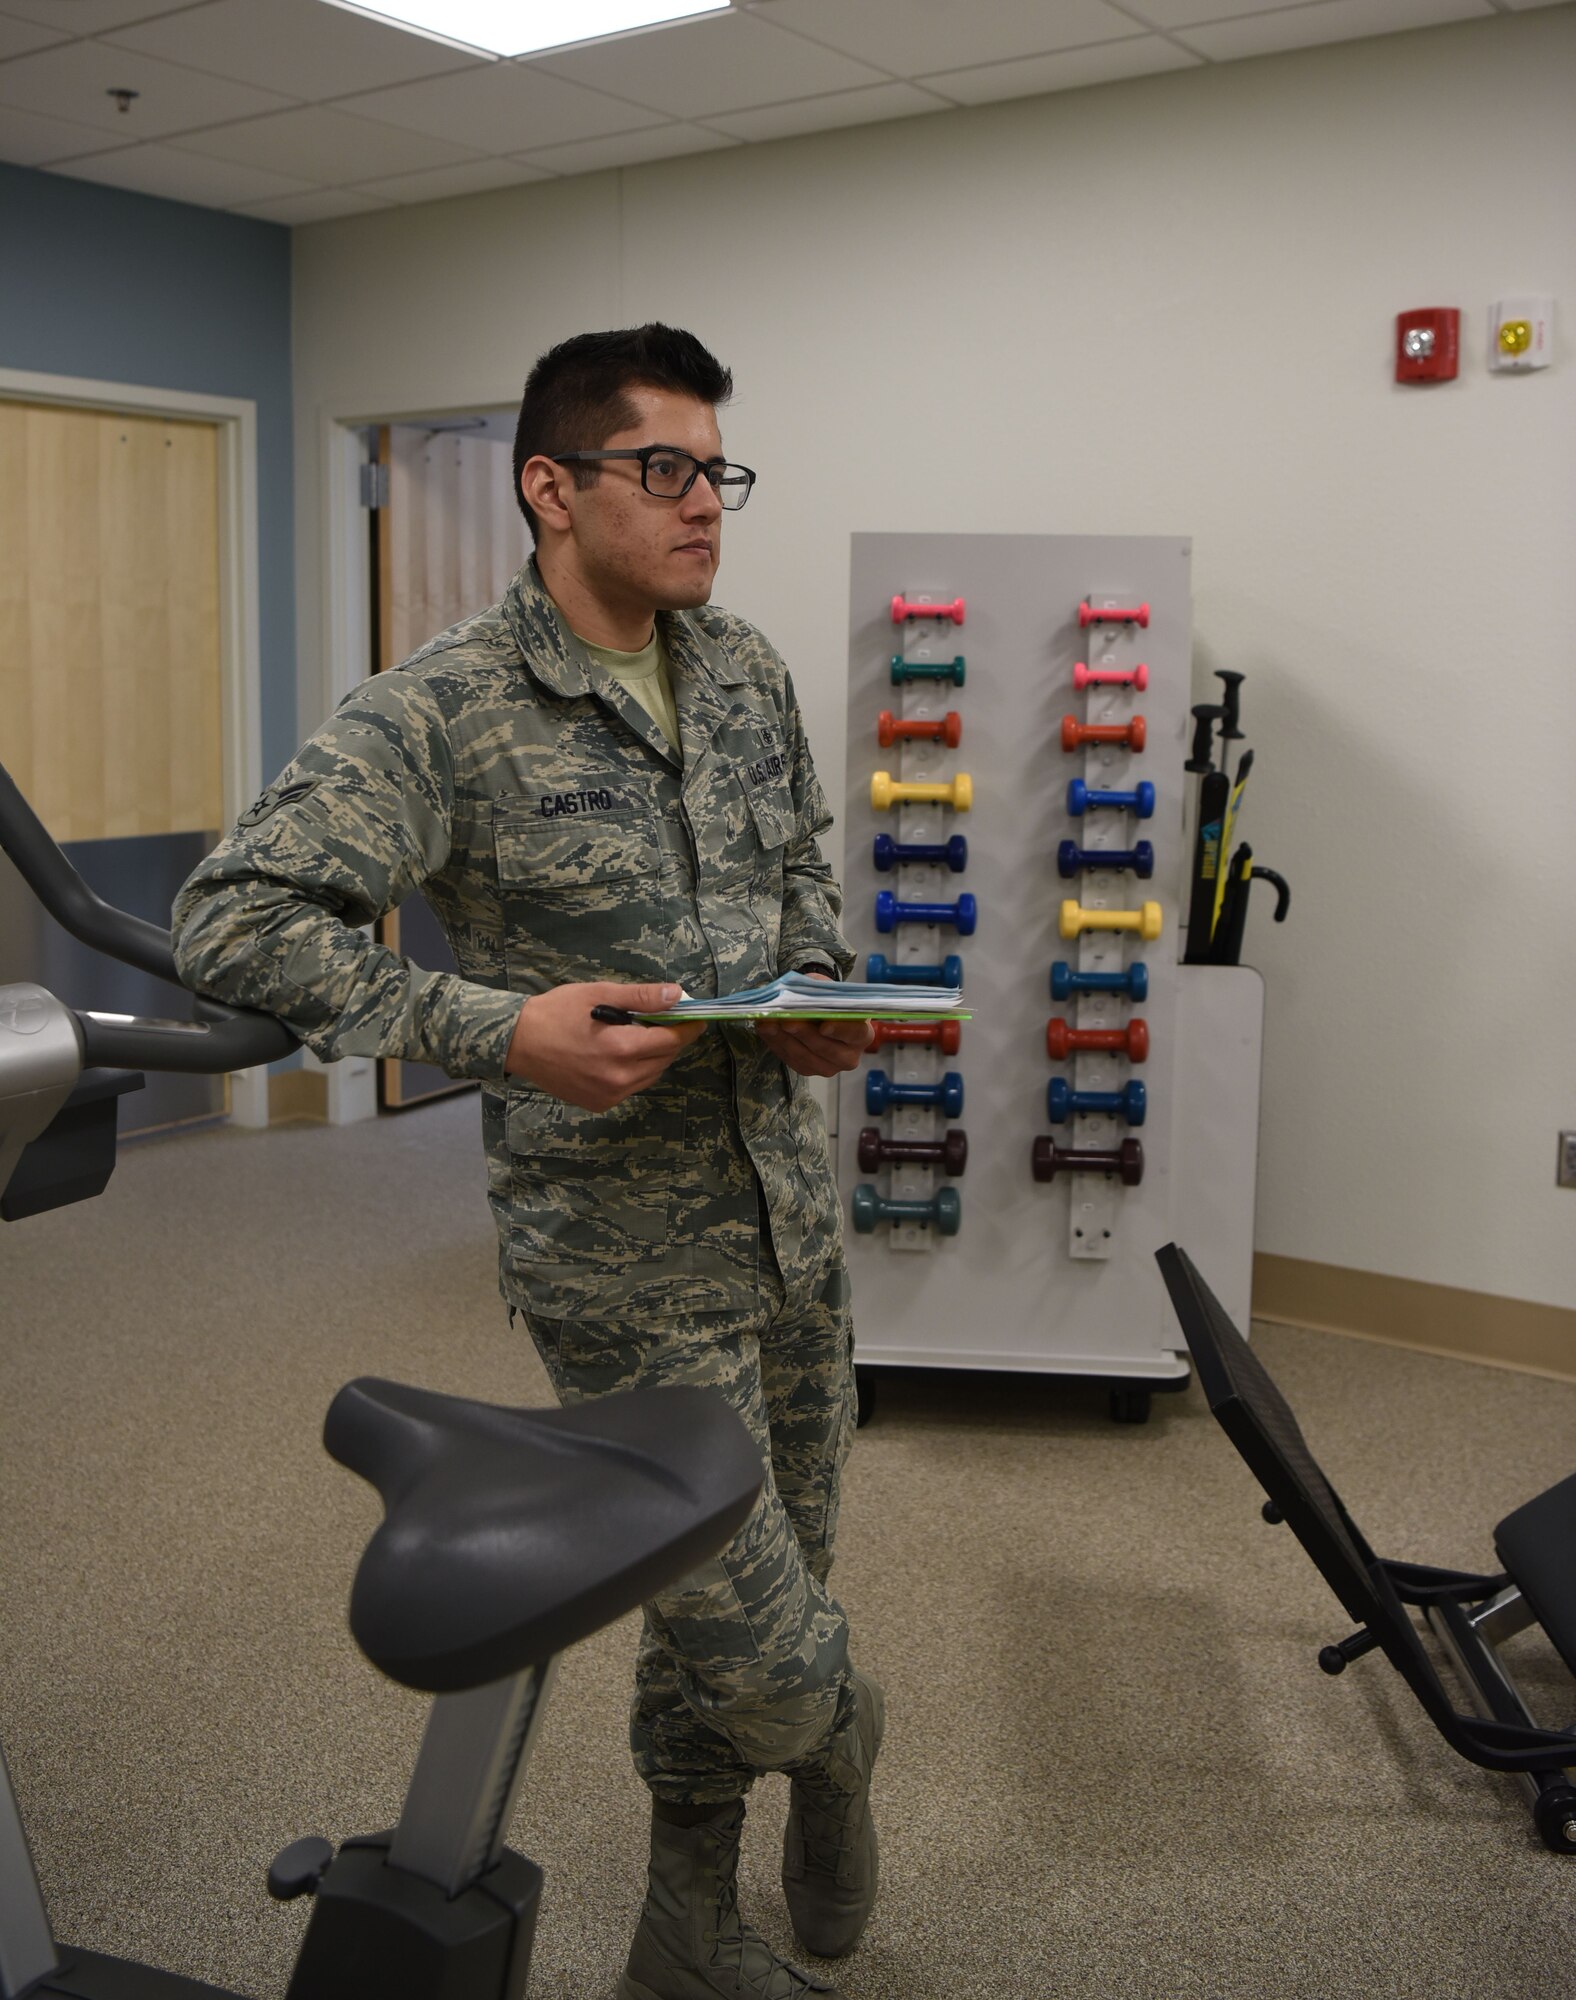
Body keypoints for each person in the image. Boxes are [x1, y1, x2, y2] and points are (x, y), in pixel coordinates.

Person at [171, 324, 882, 2000]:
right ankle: (844, 1741)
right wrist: (493, 1028)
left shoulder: (749, 672)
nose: (708, 504)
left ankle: (685, 1928)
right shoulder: (447, 710)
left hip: (790, 1217)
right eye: (669, 470)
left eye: (721, 471)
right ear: (551, 490)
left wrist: (826, 1003)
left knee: (731, 1603)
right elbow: (231, 920)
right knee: (769, 1652)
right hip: (621, 1261)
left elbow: (803, 897)